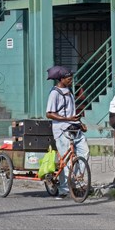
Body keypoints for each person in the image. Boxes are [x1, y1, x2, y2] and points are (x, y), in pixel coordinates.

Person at [45, 66, 89, 199]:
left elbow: (72, 112)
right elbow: (49, 114)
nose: (71, 81)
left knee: (84, 152)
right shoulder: (55, 93)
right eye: (69, 79)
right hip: (61, 130)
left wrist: (79, 123)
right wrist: (67, 119)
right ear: (61, 79)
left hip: (74, 128)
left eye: (71, 78)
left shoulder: (69, 91)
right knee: (67, 162)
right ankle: (64, 189)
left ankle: (76, 180)